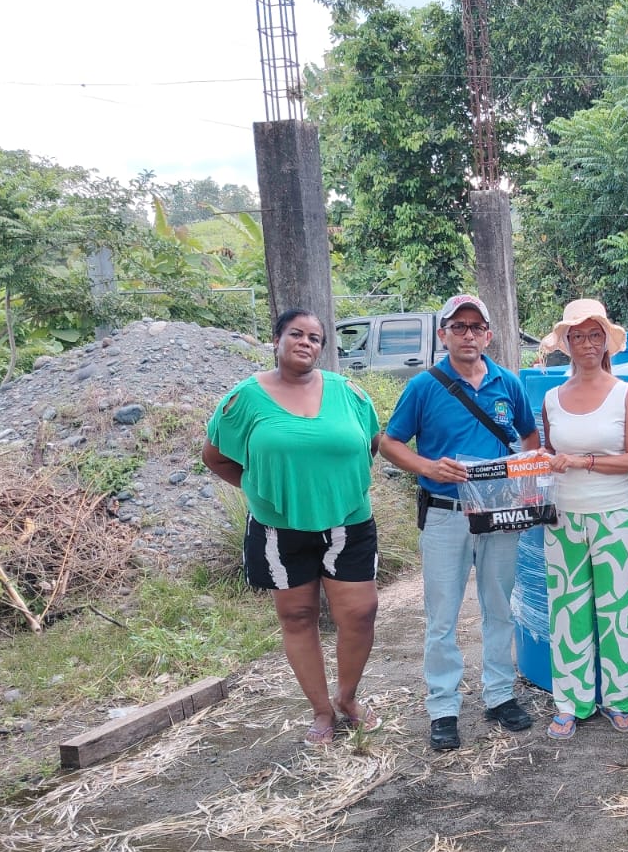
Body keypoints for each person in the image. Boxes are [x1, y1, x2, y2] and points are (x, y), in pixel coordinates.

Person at [203, 308, 382, 748]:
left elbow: (371, 445)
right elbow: (216, 457)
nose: (306, 342)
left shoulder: (349, 394)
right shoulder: (244, 399)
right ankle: (321, 711)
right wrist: (263, 490)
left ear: (322, 347)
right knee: (298, 616)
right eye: (296, 334)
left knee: (360, 613)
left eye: (314, 338)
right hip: (278, 530)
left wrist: (334, 486)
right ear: (277, 340)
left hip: (348, 523)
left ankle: (347, 698)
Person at [380, 294, 541, 752]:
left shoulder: (507, 383)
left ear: (488, 335)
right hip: (444, 514)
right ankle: (443, 707)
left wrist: (520, 474)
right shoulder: (424, 386)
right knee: (442, 615)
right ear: (443, 334)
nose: (468, 335)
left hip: (497, 515)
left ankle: (499, 694)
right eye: (458, 327)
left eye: (476, 327)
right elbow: (390, 442)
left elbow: (529, 436)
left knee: (499, 606)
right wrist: (427, 467)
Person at [538, 299, 628, 738]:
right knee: (567, 611)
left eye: (594, 335)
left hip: (616, 514)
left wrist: (584, 461)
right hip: (563, 517)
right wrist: (546, 461)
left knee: (621, 609)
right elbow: (551, 454)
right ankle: (570, 702)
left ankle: (622, 699)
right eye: (577, 336)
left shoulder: (626, 393)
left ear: (607, 341)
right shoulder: (551, 398)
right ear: (565, 343)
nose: (586, 343)